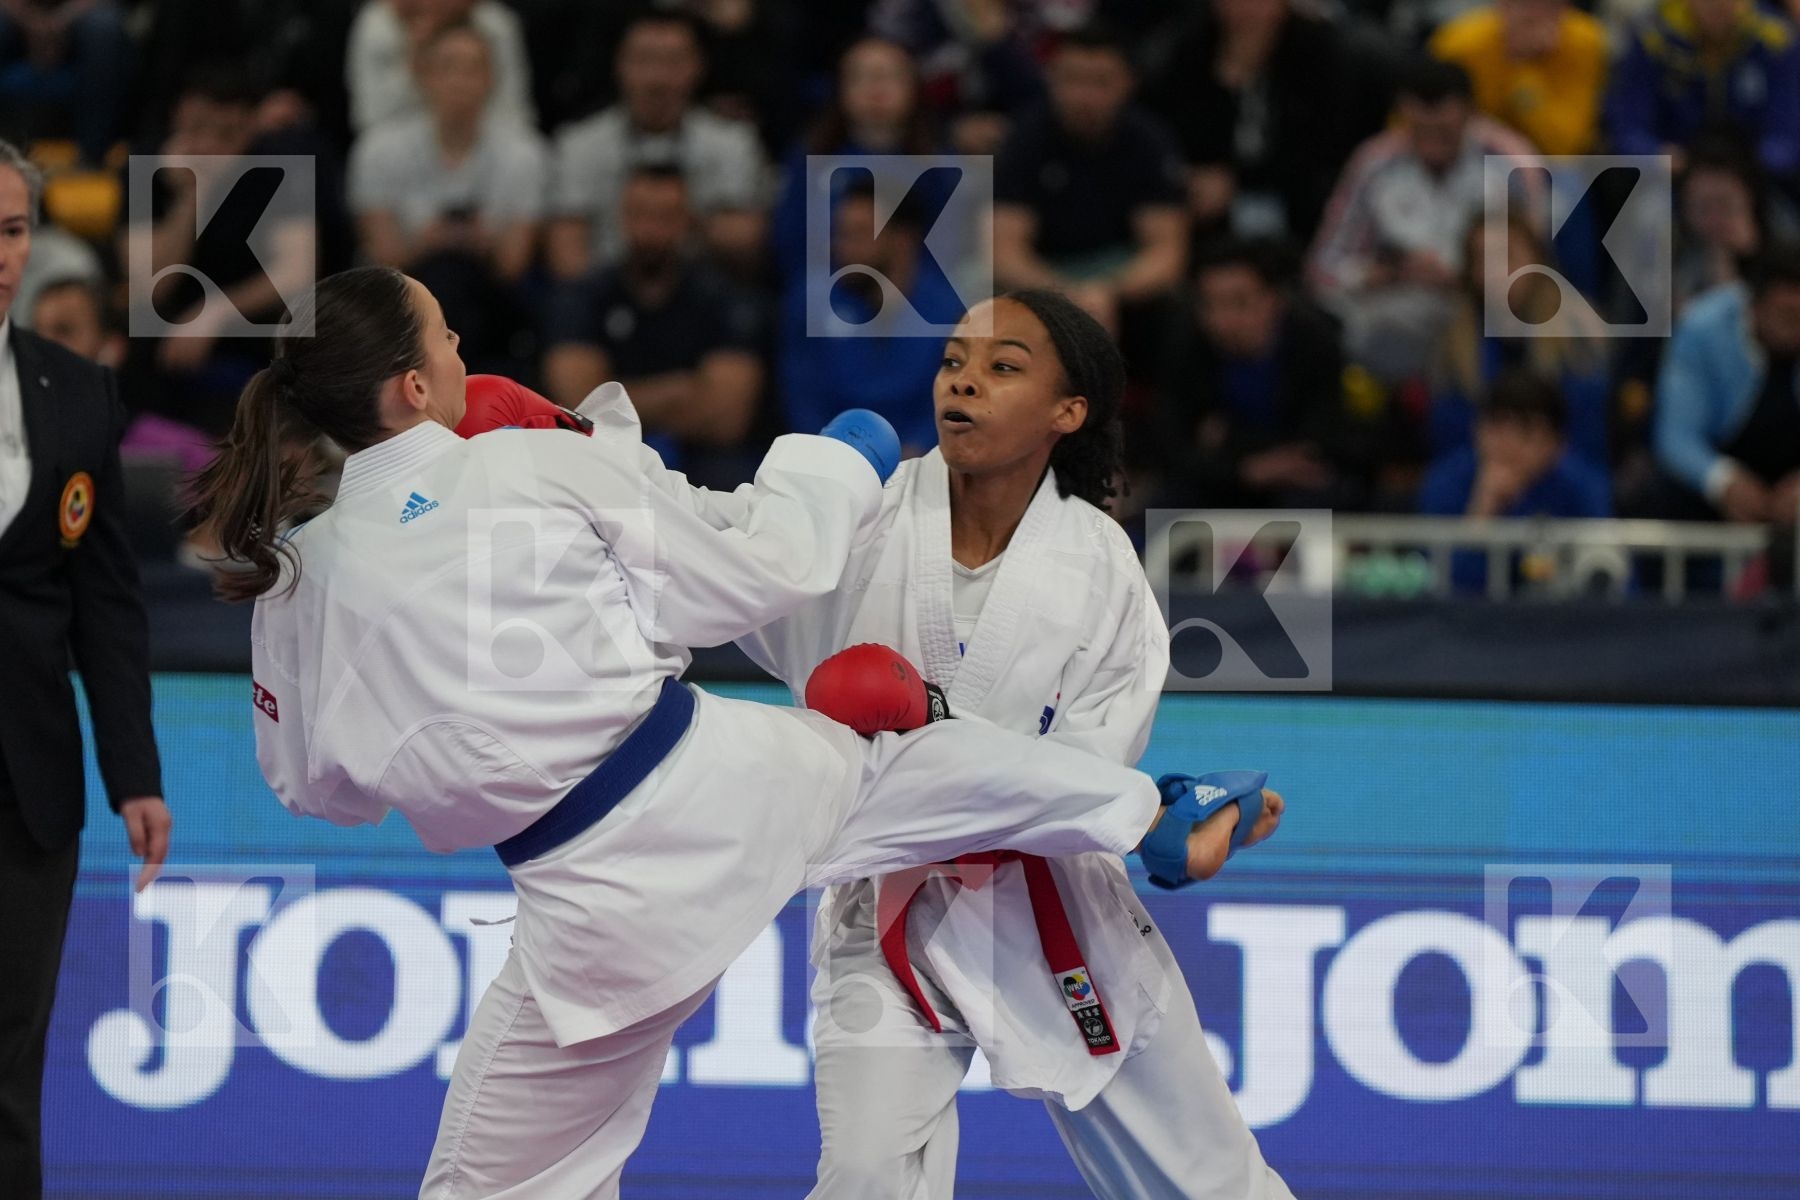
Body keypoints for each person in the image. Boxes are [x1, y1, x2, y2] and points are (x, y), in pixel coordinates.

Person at [191, 264, 1248, 1197]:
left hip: (583, 904)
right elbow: (762, 568)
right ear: (415, 387)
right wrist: (834, 461)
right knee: (907, 764)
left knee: (495, 1186)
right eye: (446, 337)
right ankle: (1156, 811)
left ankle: (1142, 808)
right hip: (709, 784)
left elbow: (316, 790)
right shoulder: (522, 466)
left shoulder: (298, 574)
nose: (465, 346)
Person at [740, 290, 1292, 1200]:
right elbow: (733, 562)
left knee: (1213, 1181)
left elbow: (1066, 786)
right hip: (886, 914)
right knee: (866, 1175)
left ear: (1067, 413)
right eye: (954, 360)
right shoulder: (863, 513)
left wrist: (925, 725)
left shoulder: (1099, 567)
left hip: (1054, 907)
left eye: (1003, 367)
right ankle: (1172, 813)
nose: (964, 381)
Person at [0, 139, 169, 1199]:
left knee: (9, 1073)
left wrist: (136, 772)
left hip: (27, 783)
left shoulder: (75, 390)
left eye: (12, 232)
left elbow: (105, 602)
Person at [1308, 58, 1540, 381]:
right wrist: (1382, 274)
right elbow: (1322, 269)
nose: (1430, 142)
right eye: (1419, 130)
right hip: (1393, 310)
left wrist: (1465, 277)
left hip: (1483, 310)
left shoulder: (1510, 163)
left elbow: (1538, 270)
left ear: (1471, 114)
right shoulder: (1374, 163)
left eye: (1443, 131)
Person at [540, 164, 764, 484]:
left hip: (702, 458)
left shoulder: (724, 297)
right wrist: (684, 391)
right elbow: (578, 408)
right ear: (622, 217)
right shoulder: (583, 296)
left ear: (688, 222)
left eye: (666, 217)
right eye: (641, 214)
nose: (652, 230)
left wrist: (618, 395)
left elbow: (727, 418)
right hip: (602, 455)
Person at [350, 20, 549, 369]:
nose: (459, 81)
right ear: (422, 76)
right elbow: (385, 257)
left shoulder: (524, 153)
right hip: (402, 298)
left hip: (489, 297)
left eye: (473, 68)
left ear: (492, 79)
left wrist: (480, 243)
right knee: (437, 279)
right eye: (447, 67)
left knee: (461, 282)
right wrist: (430, 241)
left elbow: (512, 265)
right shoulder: (378, 150)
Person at [991, 23, 1189, 339]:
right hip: (1046, 274)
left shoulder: (1149, 141)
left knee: (1177, 312)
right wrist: (1065, 293)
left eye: (1100, 82)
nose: (1085, 96)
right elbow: (1005, 251)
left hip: (1119, 276)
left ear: (1128, 83)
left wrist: (1108, 291)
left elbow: (1166, 252)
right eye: (1073, 79)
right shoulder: (1024, 138)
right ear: (1051, 79)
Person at [1154, 238, 1377, 510]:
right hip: (1222, 480)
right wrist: (1245, 469)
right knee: (1171, 502)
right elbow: (1172, 444)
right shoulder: (1187, 346)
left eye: (1238, 303)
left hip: (1299, 481)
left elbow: (1329, 435)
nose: (1221, 321)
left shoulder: (1316, 341)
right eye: (1209, 304)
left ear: (1275, 299)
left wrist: (1229, 439)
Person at [546, 10, 768, 280]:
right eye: (644, 60)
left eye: (673, 61)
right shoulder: (579, 145)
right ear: (619, 65)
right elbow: (566, 256)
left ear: (698, 66)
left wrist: (679, 218)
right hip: (605, 295)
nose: (658, 79)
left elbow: (747, 243)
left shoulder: (733, 143)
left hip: (700, 298)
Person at [1146, 0, 1360, 243]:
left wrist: (1237, 180)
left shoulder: (1318, 51)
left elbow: (1326, 142)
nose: (1246, 9)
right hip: (1208, 191)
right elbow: (1168, 128)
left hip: (1291, 190)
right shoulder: (1189, 47)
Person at [779, 177, 961, 456]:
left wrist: (914, 456)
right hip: (830, 463)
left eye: (860, 234)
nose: (842, 247)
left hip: (923, 467)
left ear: (903, 239)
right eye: (841, 233)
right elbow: (803, 400)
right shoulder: (811, 303)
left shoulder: (948, 313)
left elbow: (947, 405)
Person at [1419, 367, 1612, 593]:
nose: (1506, 444)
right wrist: (1481, 514)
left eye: (1525, 431)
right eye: (1495, 427)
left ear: (1557, 443)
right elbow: (1440, 592)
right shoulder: (1447, 482)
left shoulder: (1583, 486)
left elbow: (1617, 583)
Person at [1648, 242, 1800, 524]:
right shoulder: (1701, 328)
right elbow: (1675, 435)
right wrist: (1721, 480)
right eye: (1788, 316)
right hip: (1720, 476)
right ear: (1754, 306)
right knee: (1660, 490)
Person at [1605, 0, 1800, 185]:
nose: (1718, 4)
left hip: (1755, 176)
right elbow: (1628, 128)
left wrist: (1746, 165)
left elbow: (1787, 135)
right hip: (1671, 174)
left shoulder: (1776, 39)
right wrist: (1655, 156)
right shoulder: (1652, 38)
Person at [1428, 0, 1609, 156]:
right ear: (1502, 5)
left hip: (1551, 163)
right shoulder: (1459, 44)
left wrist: (1524, 71)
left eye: (1549, 6)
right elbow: (1434, 122)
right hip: (1470, 153)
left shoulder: (1584, 42)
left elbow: (1565, 147)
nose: (1537, 14)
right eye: (1525, 5)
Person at [346, 0, 535, 135]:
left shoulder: (495, 23)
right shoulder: (378, 24)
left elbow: (514, 114)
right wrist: (414, 64)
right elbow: (371, 120)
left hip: (483, 146)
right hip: (404, 148)